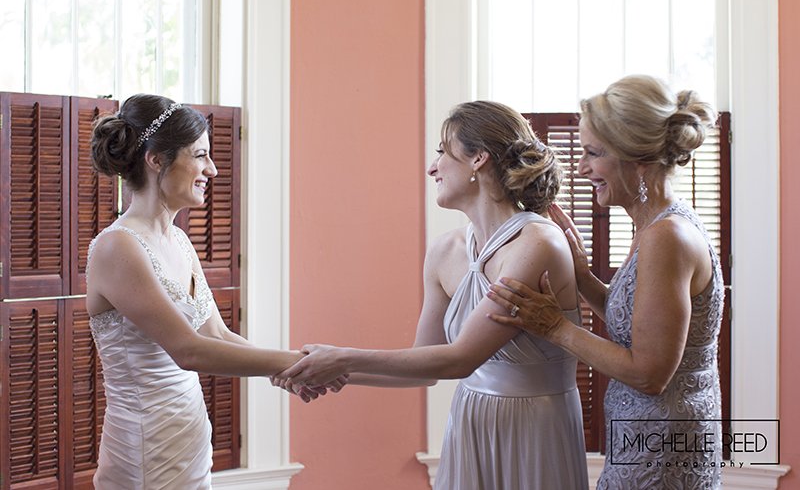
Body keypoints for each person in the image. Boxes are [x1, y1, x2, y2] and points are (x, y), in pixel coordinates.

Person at [276, 101, 589, 490]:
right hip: (471, 424)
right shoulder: (445, 251)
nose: (432, 167)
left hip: (536, 427)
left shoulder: (537, 242)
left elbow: (459, 360)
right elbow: (423, 365)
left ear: (478, 159)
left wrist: (339, 357)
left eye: (442, 151)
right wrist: (331, 372)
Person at [86, 94, 341, 489]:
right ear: (156, 159)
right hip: (145, 449)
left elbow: (216, 335)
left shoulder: (180, 242)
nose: (214, 169)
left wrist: (292, 369)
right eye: (200, 155)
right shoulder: (117, 246)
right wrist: (294, 362)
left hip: (186, 439)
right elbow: (188, 350)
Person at [486, 75, 724, 489]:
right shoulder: (656, 227)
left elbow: (650, 372)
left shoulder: (666, 238)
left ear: (639, 160)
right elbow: (641, 330)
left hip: (661, 455)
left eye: (593, 154)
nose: (580, 168)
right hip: (645, 441)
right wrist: (583, 278)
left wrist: (556, 328)